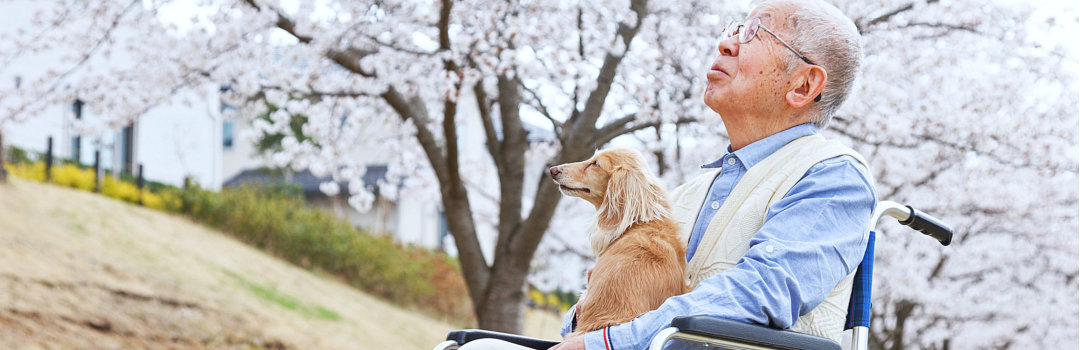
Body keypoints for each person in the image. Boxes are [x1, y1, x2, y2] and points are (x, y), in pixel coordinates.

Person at [549, 0, 875, 349]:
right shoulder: (685, 195)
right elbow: (580, 324)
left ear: (803, 85)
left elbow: (761, 291)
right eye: (734, 29)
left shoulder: (835, 177)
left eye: (753, 33)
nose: (726, 44)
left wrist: (607, 343)